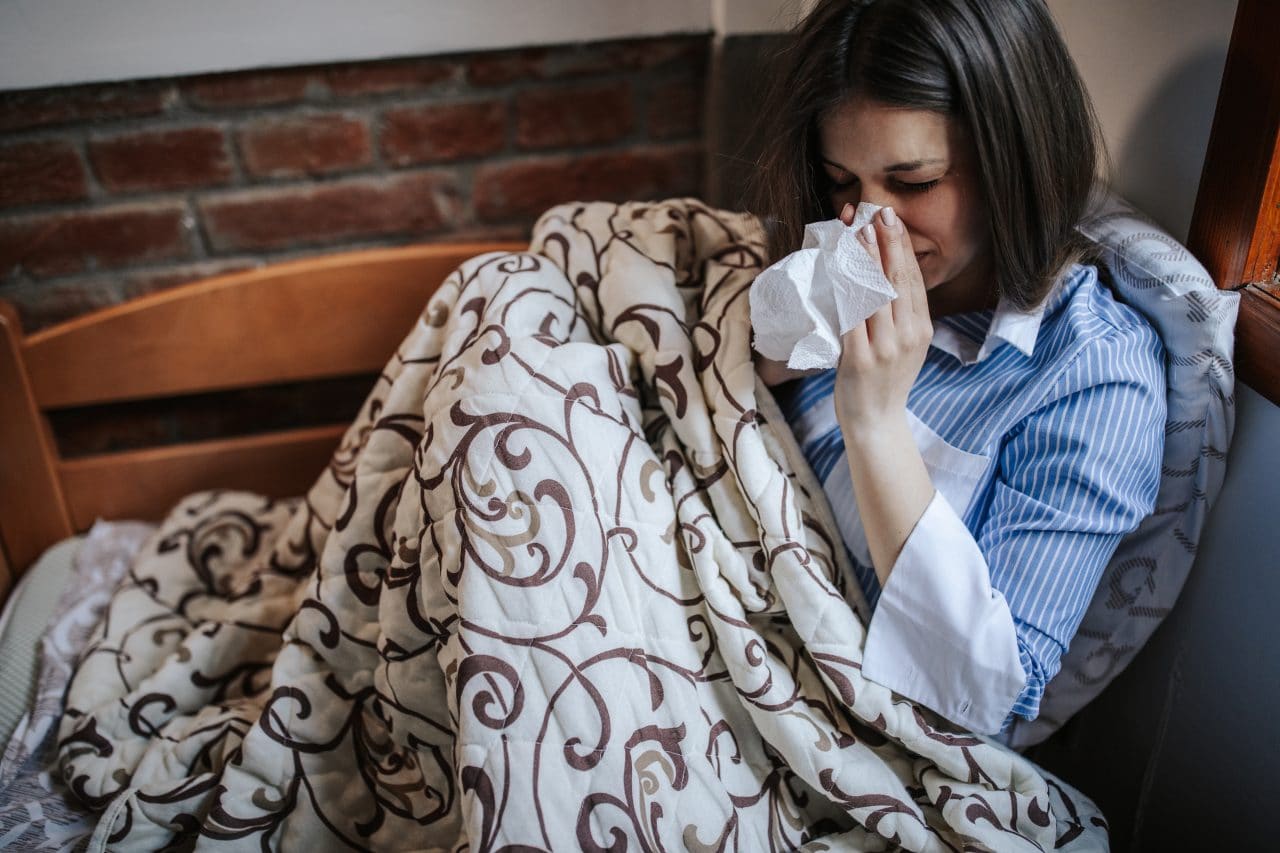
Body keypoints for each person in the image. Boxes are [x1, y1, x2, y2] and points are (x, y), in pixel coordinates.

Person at [747, 0, 1166, 737]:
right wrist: (767, 346)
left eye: (913, 184)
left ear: (1014, 160)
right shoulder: (838, 246)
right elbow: (727, 358)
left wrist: (875, 421)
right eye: (844, 180)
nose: (868, 224)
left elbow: (983, 696)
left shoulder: (1093, 375)